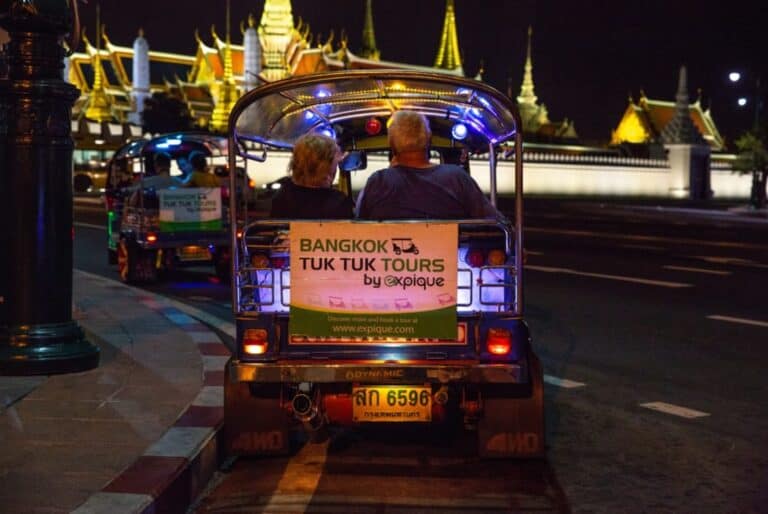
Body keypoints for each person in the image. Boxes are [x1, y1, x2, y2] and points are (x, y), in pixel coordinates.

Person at [355, 110, 500, 219]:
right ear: (428, 139)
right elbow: (493, 222)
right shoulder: (457, 178)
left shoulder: (377, 182)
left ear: (392, 145)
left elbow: (357, 226)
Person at [269, 133, 353, 219]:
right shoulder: (338, 201)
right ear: (324, 166)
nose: (334, 171)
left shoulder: (282, 197)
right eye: (334, 165)